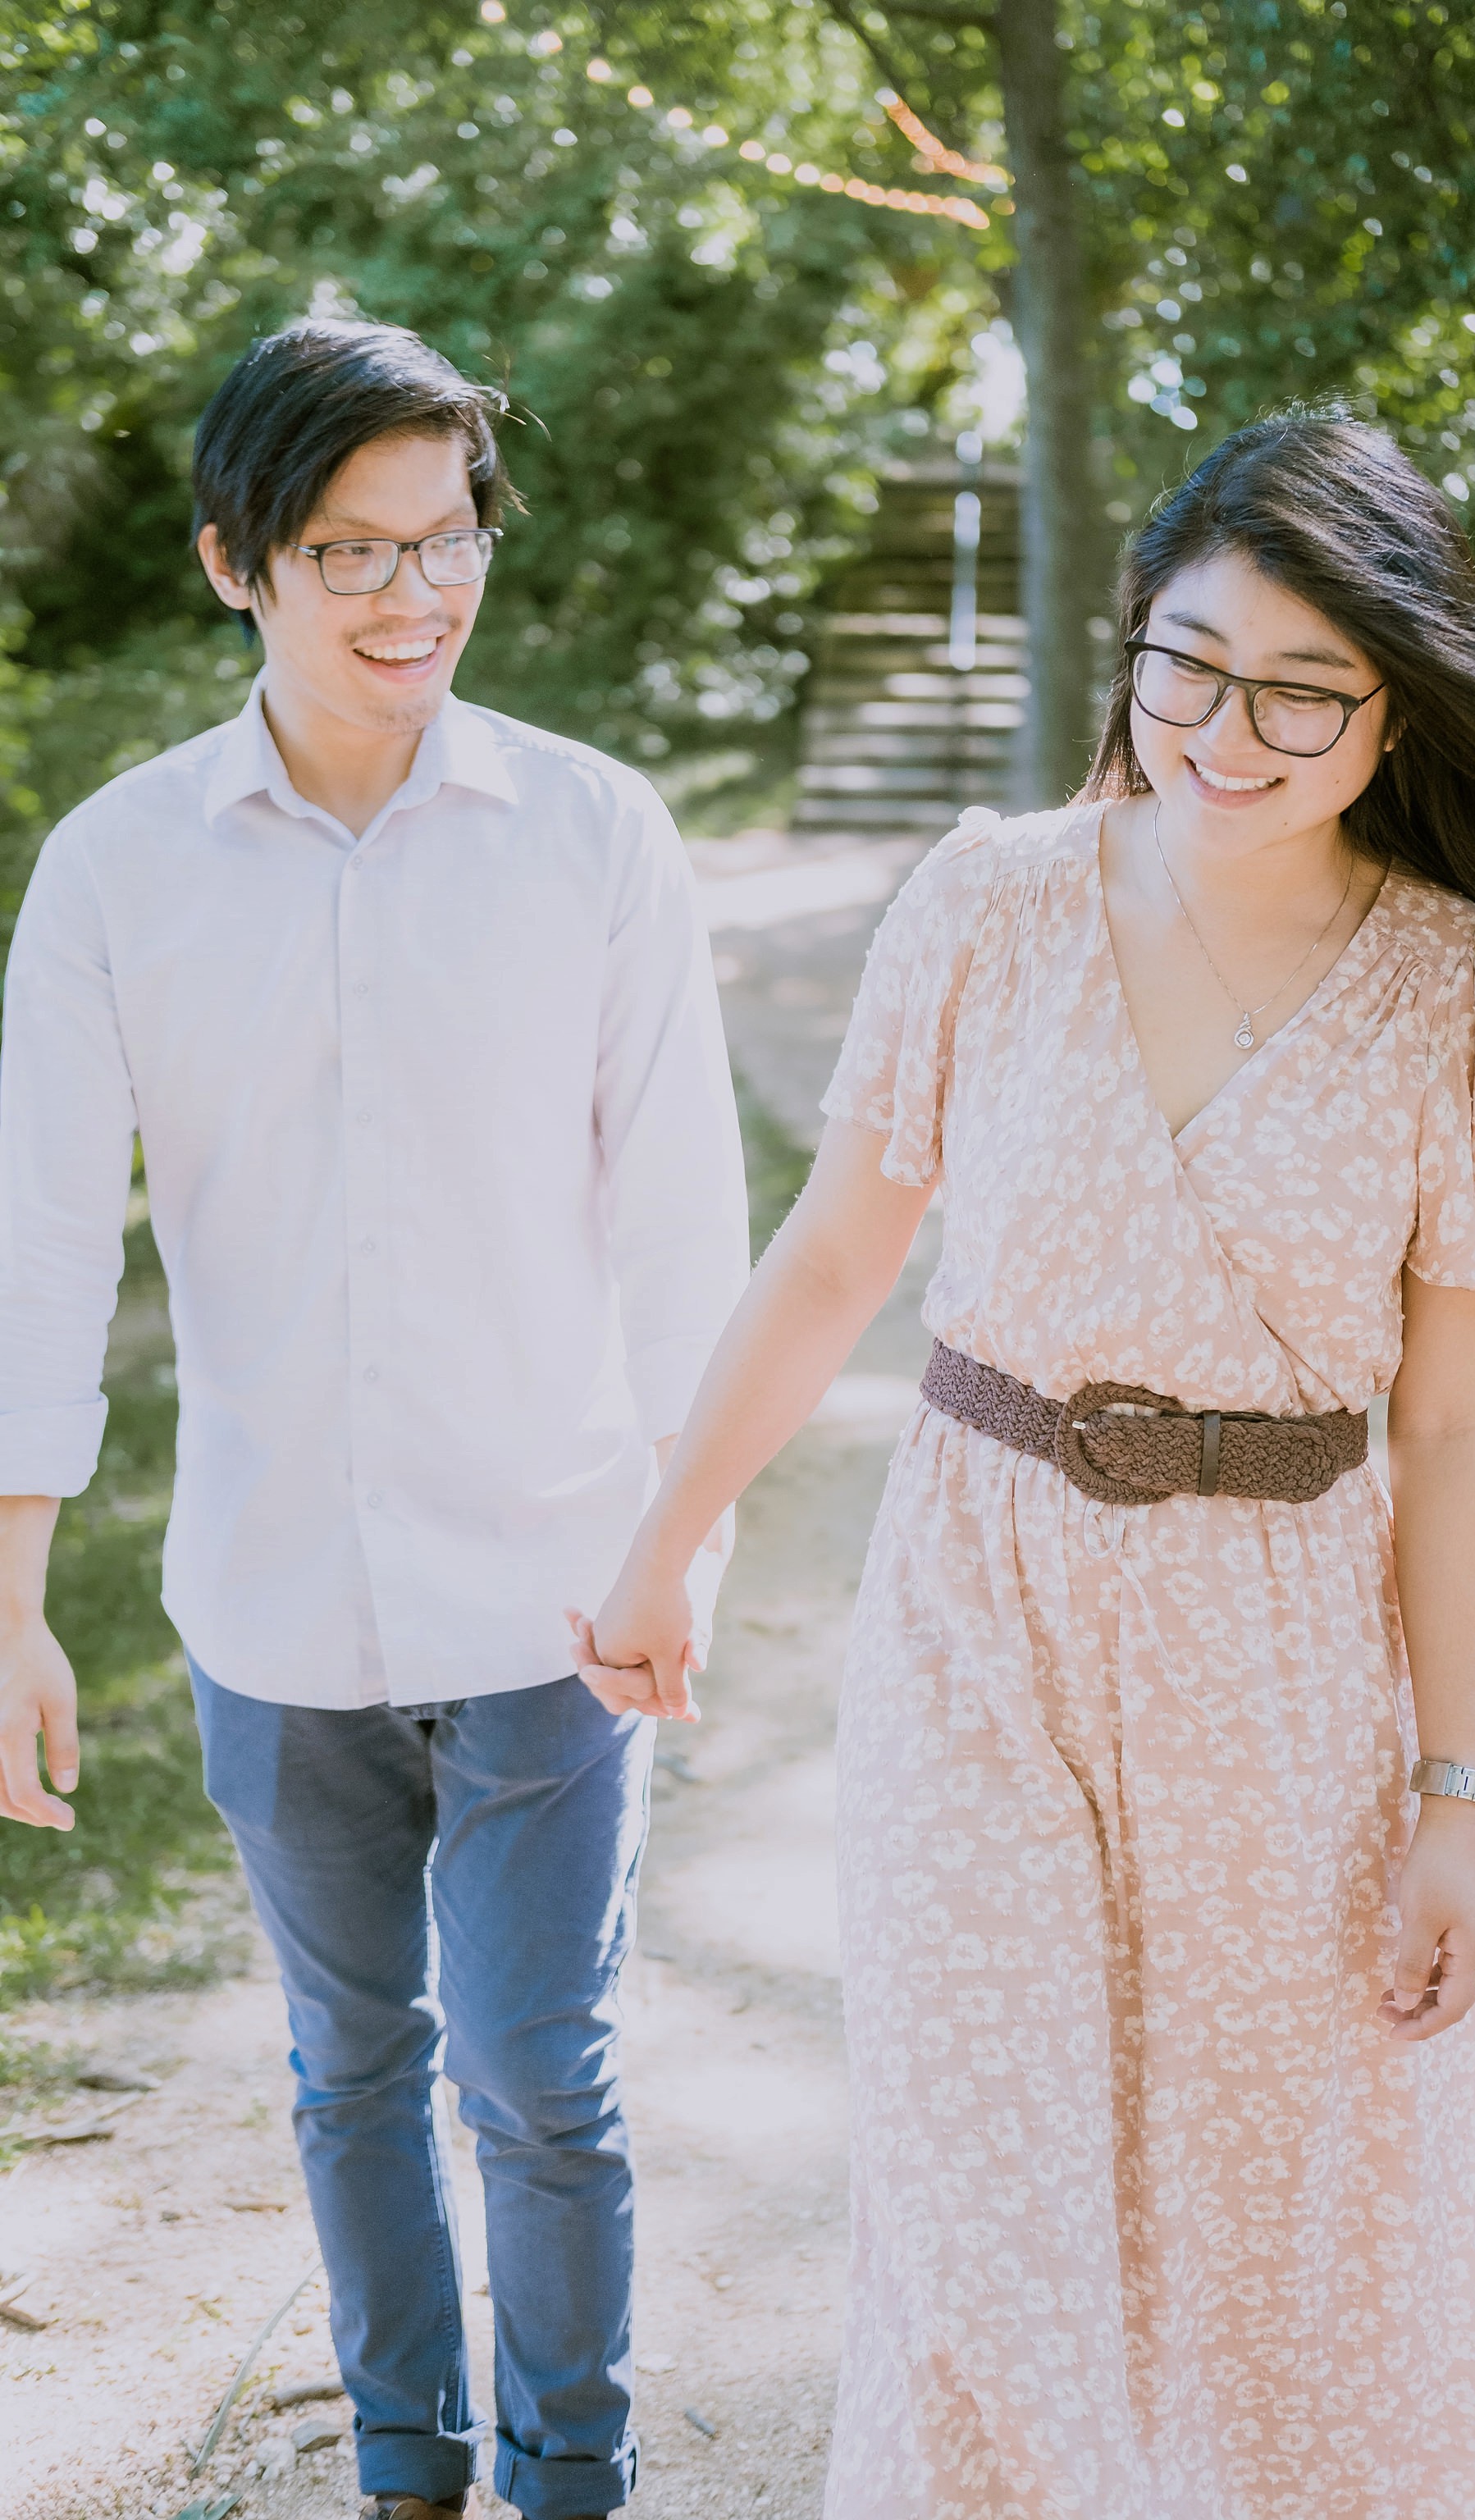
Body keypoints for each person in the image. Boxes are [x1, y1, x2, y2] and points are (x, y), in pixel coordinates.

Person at [573, 413, 1475, 2519]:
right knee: (984, 2221)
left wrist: (1457, 1798)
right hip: (979, 1613)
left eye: (1298, 690)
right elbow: (830, 1262)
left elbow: (1452, 1425)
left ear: (1392, 707)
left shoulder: (1465, 996)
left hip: (1287, 1670)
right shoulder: (986, 907)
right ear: (1129, 645)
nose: (1224, 730)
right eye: (1186, 660)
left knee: (1279, 2238)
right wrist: (664, 1535)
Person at [0, 318, 747, 2520]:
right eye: (354, 551)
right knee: (348, 2067)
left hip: (553, 1581)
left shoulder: (593, 837)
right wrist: (16, 1599)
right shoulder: (119, 872)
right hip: (271, 1604)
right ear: (238, 562)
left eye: (448, 542)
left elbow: (690, 1225)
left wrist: (681, 1550)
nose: (417, 595)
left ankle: (570, 2480)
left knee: (542, 2078)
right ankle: (409, 2473)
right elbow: (38, 1243)